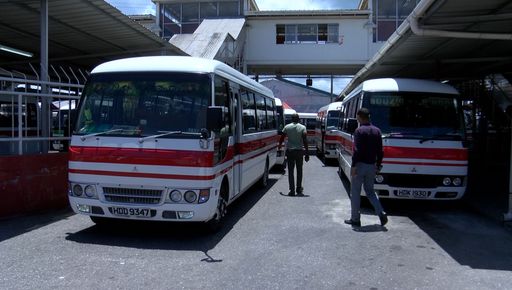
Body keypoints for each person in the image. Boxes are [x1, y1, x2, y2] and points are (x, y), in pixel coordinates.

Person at [344, 108, 388, 227]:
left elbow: (357, 151)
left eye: (357, 116)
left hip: (360, 165)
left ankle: (355, 219)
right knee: (370, 191)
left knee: (355, 192)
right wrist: (378, 165)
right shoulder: (377, 131)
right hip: (372, 166)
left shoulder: (359, 131)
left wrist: (353, 166)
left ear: (360, 116)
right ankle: (381, 212)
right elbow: (380, 151)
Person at [278, 113, 309, 196]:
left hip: (290, 152)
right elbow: (305, 140)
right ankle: (298, 189)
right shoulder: (303, 127)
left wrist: (279, 146)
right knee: (299, 171)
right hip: (299, 152)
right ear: (298, 119)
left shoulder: (287, 127)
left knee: (290, 171)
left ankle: (292, 190)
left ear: (291, 119)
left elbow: (282, 137)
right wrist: (307, 153)